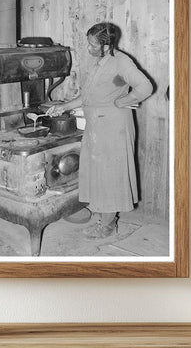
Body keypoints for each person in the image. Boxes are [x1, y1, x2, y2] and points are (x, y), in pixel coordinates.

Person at [47, 22, 153, 239]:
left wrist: (124, 101)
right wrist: (63, 107)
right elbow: (88, 97)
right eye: (89, 43)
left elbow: (146, 87)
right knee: (98, 174)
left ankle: (107, 224)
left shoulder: (122, 62)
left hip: (114, 127)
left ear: (106, 45)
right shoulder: (101, 62)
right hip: (97, 126)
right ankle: (102, 216)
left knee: (111, 175)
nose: (89, 48)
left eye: (92, 45)